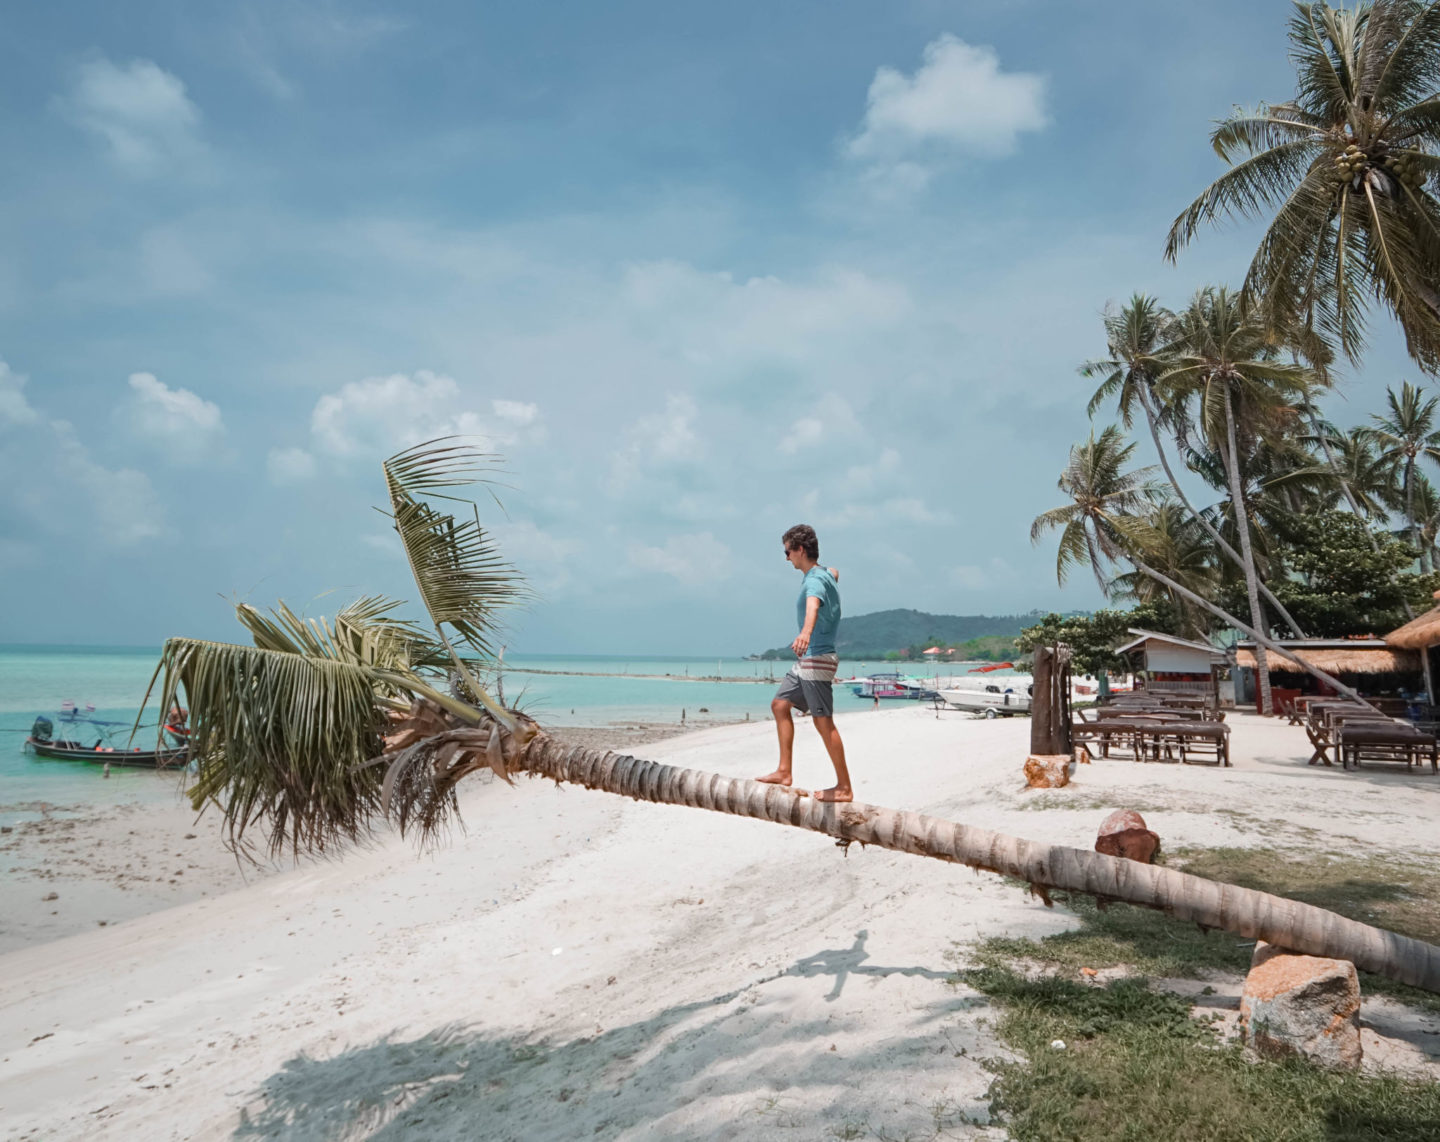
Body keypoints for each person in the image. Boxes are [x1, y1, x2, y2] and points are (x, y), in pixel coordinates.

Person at [757, 524, 853, 802]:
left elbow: (813, 605)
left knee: (824, 723)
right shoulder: (826, 574)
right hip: (809, 660)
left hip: (817, 659)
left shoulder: (813, 581)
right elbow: (835, 571)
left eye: (788, 552)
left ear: (800, 550)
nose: (786, 558)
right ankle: (784, 771)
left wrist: (805, 633)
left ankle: (844, 787)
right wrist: (830, 573)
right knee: (780, 705)